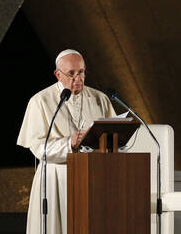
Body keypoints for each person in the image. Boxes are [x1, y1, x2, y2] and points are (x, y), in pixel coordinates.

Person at [17, 49, 116, 234]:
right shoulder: (40, 101)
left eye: (81, 72)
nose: (78, 78)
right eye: (71, 74)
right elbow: (39, 148)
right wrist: (68, 143)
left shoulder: (99, 99)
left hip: (92, 177)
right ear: (57, 74)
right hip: (57, 178)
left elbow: (114, 137)